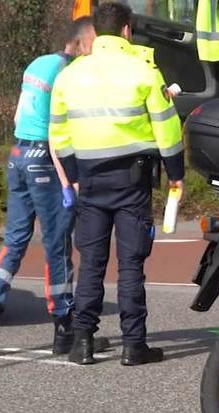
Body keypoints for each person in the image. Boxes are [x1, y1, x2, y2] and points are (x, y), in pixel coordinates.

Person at [49, 2, 185, 366]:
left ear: (96, 31)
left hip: (89, 178)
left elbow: (58, 133)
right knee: (131, 262)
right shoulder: (144, 70)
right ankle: (133, 345)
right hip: (132, 179)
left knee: (91, 261)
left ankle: (82, 343)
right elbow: (167, 129)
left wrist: (73, 178)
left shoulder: (69, 76)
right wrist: (176, 174)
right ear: (127, 30)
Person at [0, 17, 101, 355]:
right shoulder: (68, 73)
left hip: (18, 153)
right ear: (82, 42)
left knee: (14, 239)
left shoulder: (37, 64)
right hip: (47, 157)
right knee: (57, 242)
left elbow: (17, 117)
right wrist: (69, 178)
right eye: (94, 44)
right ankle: (64, 327)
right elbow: (62, 126)